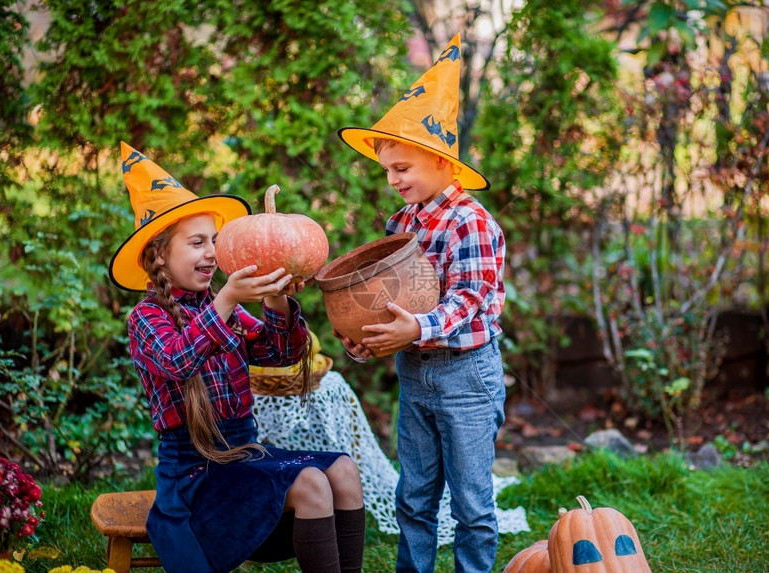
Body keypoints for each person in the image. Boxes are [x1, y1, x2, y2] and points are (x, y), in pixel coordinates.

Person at [108, 142, 365, 573]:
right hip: (196, 473)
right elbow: (178, 361)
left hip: (243, 451)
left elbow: (281, 353)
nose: (212, 252)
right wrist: (226, 300)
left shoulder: (224, 306)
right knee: (310, 483)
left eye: (215, 240)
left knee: (342, 470)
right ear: (159, 257)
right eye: (197, 242)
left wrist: (277, 302)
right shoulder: (147, 318)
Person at [335, 35, 506, 573]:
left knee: (472, 504)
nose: (393, 179)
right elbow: (389, 299)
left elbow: (469, 299)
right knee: (414, 496)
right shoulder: (402, 224)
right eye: (388, 170)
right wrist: (366, 337)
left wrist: (417, 328)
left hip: (465, 378)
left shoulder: (470, 222)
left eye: (403, 168)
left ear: (443, 163)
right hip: (416, 375)